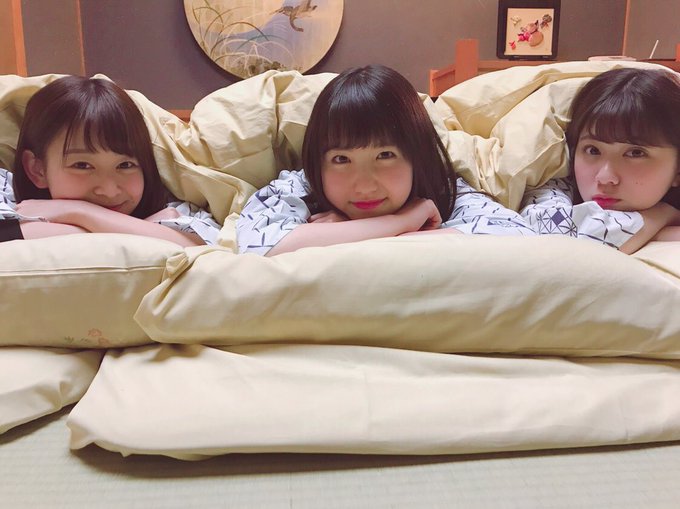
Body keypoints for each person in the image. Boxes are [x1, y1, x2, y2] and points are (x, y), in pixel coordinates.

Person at [237, 64, 535, 256]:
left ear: (416, 155)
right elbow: (260, 245)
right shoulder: (299, 187)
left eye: (385, 155)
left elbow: (519, 238)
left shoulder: (443, 191)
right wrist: (401, 222)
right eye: (341, 159)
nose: (365, 185)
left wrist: (338, 236)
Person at [0, 75, 220, 246]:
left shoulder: (177, 206)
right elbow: (9, 238)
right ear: (37, 170)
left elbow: (199, 248)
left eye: (125, 165)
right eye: (82, 165)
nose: (109, 190)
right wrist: (146, 230)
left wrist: (78, 211)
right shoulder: (5, 190)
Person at [520, 67, 680, 254]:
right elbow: (566, 240)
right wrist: (662, 215)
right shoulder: (550, 182)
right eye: (593, 150)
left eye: (635, 153)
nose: (605, 177)